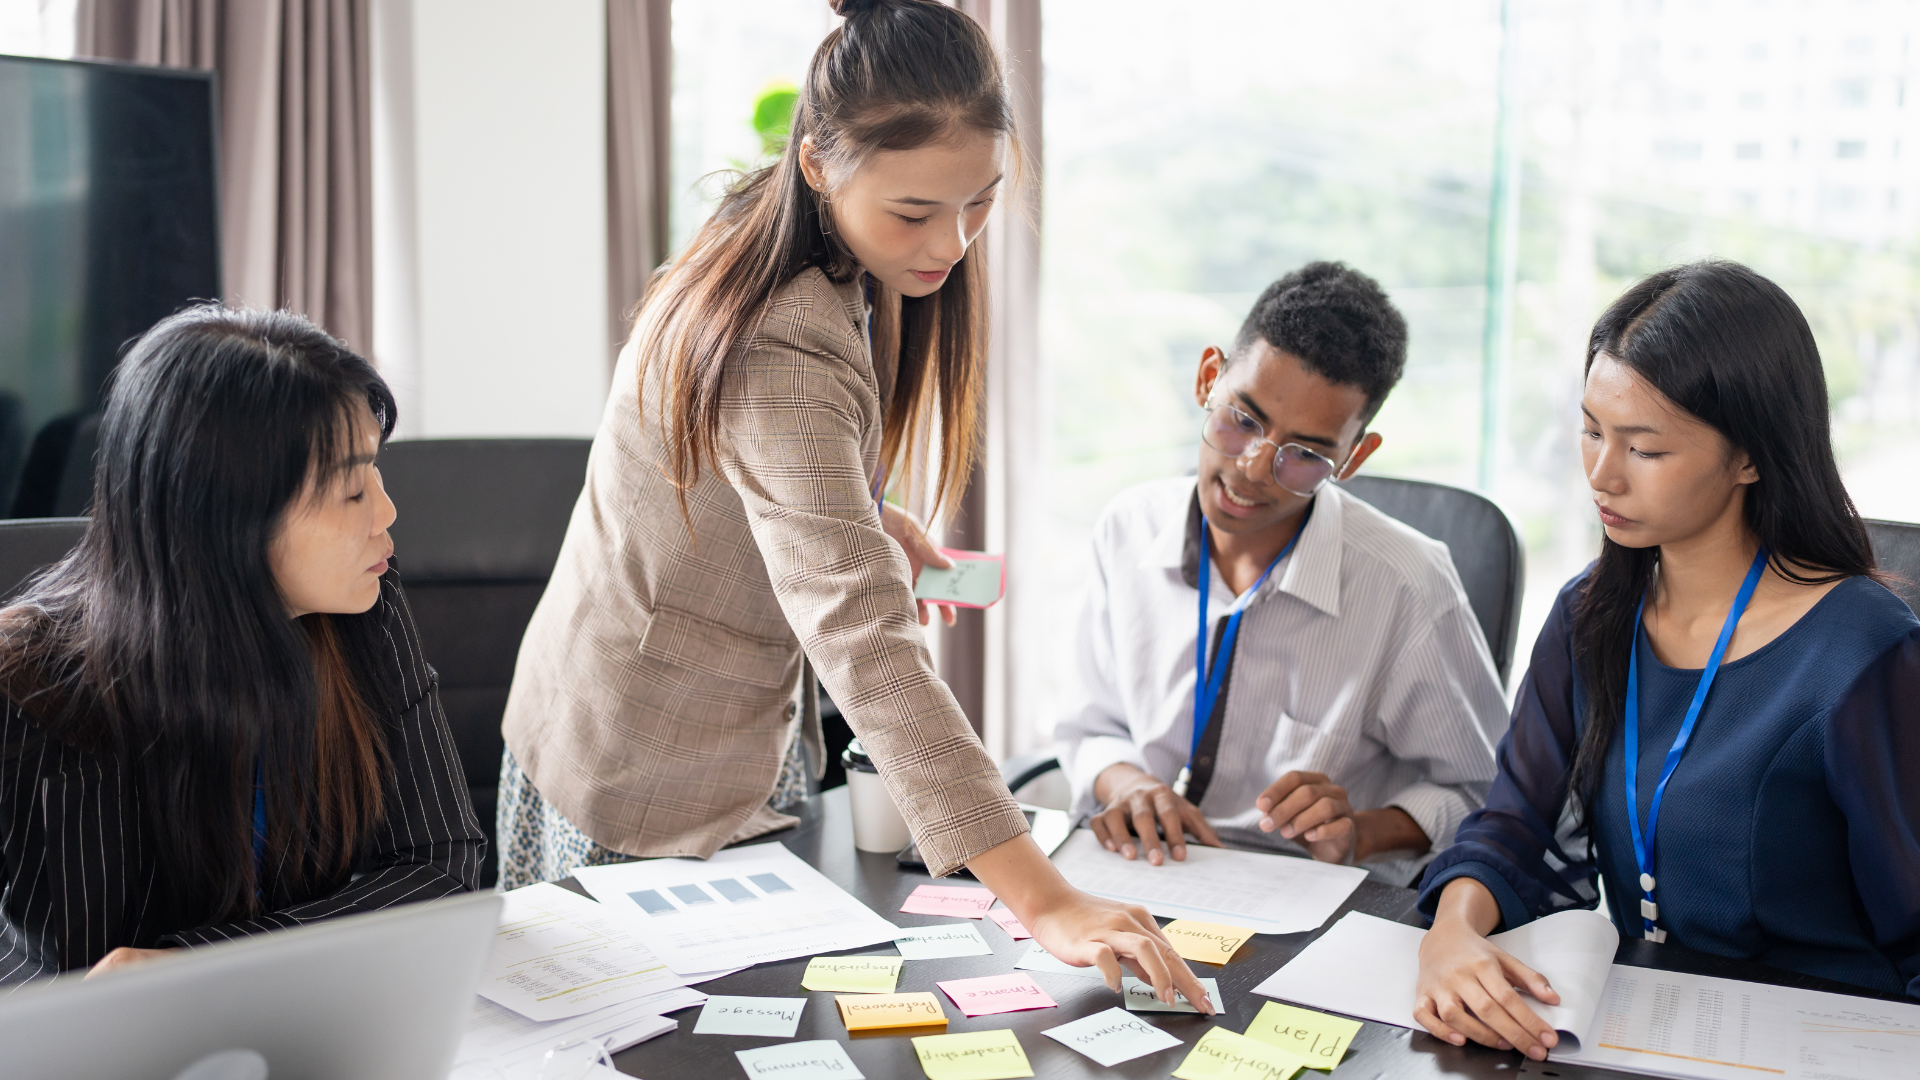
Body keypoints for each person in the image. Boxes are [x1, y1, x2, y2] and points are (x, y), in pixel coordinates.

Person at [498, 0, 1210, 1008]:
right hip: (642, 763)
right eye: (915, 213)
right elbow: (865, 637)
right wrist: (1046, 901)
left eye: (979, 202)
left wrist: (860, 513)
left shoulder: (787, 225)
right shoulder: (780, 339)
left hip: (716, 726)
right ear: (819, 163)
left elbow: (752, 463)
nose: (952, 243)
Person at [1412, 261, 1920, 1060]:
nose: (1601, 474)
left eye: (1643, 448)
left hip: (1821, 1046)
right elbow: (1512, 824)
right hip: (1640, 1031)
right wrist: (1451, 935)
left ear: (1750, 457)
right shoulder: (1589, 616)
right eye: (1591, 431)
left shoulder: (1862, 651)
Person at [0, 306, 484, 988]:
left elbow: (444, 867)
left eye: (376, 474)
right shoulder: (27, 683)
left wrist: (207, 964)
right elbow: (50, 969)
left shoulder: (362, 604)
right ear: (228, 522)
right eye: (351, 491)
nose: (386, 512)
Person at [1053, 262, 1509, 886]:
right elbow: (1089, 726)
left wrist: (1360, 832)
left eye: (1305, 454)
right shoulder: (1127, 527)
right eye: (1242, 421)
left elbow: (1485, 792)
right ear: (1208, 378)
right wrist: (1126, 782)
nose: (1252, 468)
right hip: (1145, 871)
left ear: (1353, 457)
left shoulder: (1406, 584)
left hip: (1304, 897)